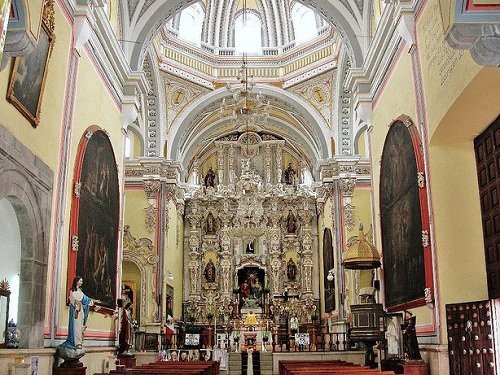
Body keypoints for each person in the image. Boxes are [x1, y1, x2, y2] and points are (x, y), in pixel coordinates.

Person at [61, 276, 101, 349]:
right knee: (75, 326)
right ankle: (75, 342)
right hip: (75, 311)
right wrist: (77, 303)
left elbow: (86, 299)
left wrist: (95, 301)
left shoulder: (80, 291)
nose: (81, 283)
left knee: (80, 326)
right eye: (80, 281)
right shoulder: (72, 291)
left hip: (81, 311)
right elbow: (72, 299)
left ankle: (79, 342)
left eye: (81, 281)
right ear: (76, 282)